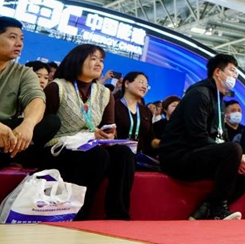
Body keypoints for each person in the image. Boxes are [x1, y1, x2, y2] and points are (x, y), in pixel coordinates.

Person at [158, 54, 245, 220]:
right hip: (179, 156)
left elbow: (220, 138)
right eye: (232, 71)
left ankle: (205, 210)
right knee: (234, 149)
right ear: (218, 72)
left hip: (201, 154)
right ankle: (218, 208)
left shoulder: (219, 99)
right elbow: (196, 136)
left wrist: (238, 159)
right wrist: (234, 155)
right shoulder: (199, 94)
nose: (235, 76)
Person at [43, 44, 136, 220]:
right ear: (77, 61)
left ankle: (118, 216)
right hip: (59, 146)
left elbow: (109, 126)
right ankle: (79, 214)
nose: (99, 64)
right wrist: (89, 137)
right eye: (93, 59)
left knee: (124, 153)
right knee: (98, 155)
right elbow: (44, 128)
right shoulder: (57, 87)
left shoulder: (104, 93)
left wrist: (109, 135)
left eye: (101, 60)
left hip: (92, 145)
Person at [0, 18, 59, 169]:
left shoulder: (23, 73)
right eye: (12, 37)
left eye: (21, 39)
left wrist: (28, 124)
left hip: (6, 133)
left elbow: (36, 98)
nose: (19, 43)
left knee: (51, 122)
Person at [114, 72, 155, 156]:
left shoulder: (146, 112)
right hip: (116, 153)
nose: (144, 87)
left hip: (138, 157)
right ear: (127, 83)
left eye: (147, 85)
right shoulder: (114, 106)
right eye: (141, 82)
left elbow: (150, 139)